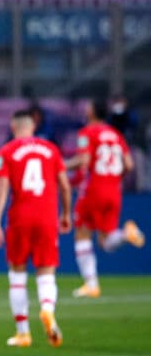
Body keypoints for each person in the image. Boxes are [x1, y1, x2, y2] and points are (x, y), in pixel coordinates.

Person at [0, 110, 71, 349]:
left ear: (14, 128)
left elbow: (2, 188)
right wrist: (65, 214)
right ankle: (47, 310)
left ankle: (23, 333)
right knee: (46, 274)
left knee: (17, 277)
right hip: (47, 218)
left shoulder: (7, 151)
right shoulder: (51, 150)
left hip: (20, 219)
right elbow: (65, 186)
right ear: (33, 126)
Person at [68, 100, 144, 299]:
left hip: (94, 189)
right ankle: (126, 235)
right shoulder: (116, 135)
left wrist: (61, 166)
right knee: (105, 240)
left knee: (82, 234)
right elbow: (129, 164)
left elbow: (83, 161)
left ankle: (91, 284)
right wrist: (114, 178)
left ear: (92, 113)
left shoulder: (87, 133)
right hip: (114, 190)